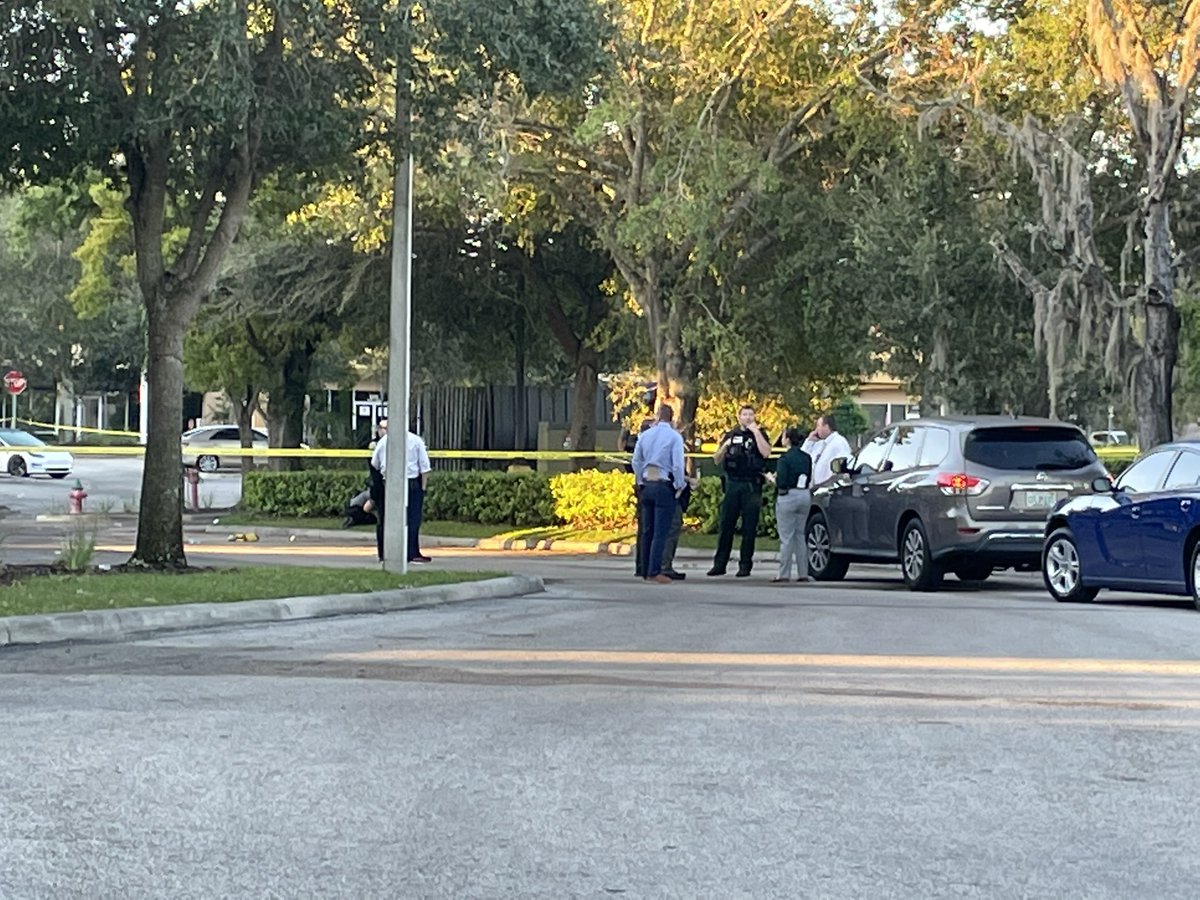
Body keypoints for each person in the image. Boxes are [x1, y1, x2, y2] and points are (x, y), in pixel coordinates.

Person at [708, 404, 772, 577]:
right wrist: (726, 445)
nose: (748, 417)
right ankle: (719, 564)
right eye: (745, 414)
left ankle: (745, 565)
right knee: (726, 525)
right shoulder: (731, 435)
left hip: (751, 485)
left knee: (749, 527)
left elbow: (766, 453)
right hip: (733, 484)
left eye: (751, 414)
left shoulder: (760, 434)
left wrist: (756, 432)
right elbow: (716, 459)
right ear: (739, 417)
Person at [631, 403, 686, 584]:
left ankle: (644, 568)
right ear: (672, 418)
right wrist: (679, 485)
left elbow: (636, 460)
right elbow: (677, 465)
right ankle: (655, 570)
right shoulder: (674, 437)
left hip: (647, 484)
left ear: (656, 416)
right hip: (663, 484)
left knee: (647, 529)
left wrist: (640, 480)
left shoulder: (645, 435)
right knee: (660, 532)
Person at [769, 426, 814, 583]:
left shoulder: (784, 458)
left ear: (787, 439)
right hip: (804, 495)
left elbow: (781, 481)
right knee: (800, 535)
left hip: (788, 496)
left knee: (787, 537)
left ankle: (784, 573)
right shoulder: (806, 457)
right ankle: (803, 572)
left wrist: (772, 479)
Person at [404, 426, 433, 563]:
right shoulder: (416, 441)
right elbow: (424, 466)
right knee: (413, 519)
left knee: (393, 519)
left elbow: (376, 463)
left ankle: (392, 551)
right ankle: (412, 552)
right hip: (412, 484)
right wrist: (423, 488)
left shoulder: (386, 441)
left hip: (391, 483)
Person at [802, 413, 853, 487]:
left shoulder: (839, 442)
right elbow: (802, 457)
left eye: (818, 426)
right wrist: (809, 442)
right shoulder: (819, 443)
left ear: (826, 426)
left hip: (829, 488)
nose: (816, 430)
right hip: (814, 488)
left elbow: (843, 468)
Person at [369, 418, 389, 561]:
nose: (384, 431)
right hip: (381, 486)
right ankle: (383, 552)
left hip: (394, 485)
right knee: (382, 520)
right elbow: (374, 466)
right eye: (382, 428)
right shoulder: (375, 444)